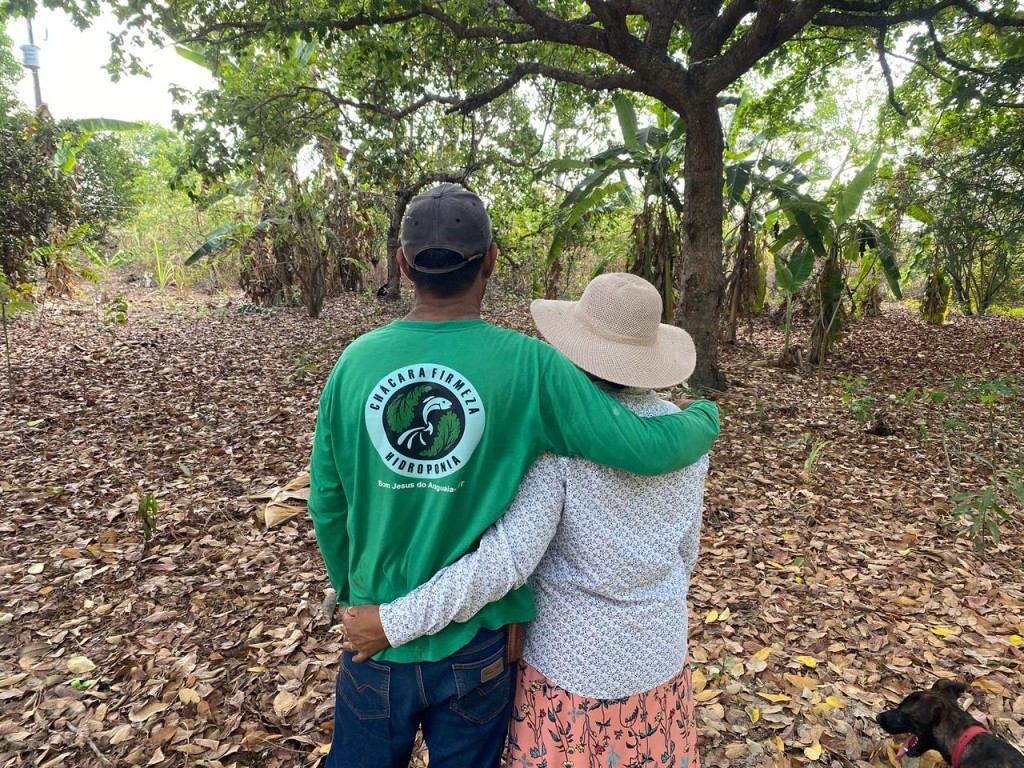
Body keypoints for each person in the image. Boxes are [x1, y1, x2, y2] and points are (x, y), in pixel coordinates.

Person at [308, 183, 719, 768]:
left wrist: (355, 599)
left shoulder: (354, 363)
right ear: (491, 261)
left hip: (376, 633)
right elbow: (642, 446)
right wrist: (702, 419)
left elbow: (328, 502)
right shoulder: (531, 368)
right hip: (474, 644)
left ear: (402, 264)